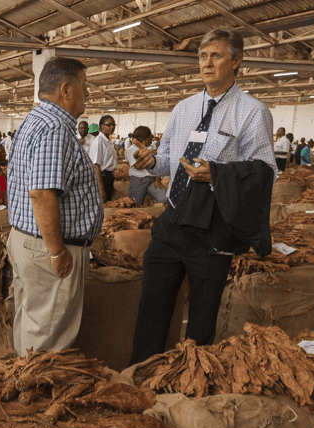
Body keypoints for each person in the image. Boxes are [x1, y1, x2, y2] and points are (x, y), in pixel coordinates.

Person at [130, 28, 275, 364]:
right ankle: (142, 374)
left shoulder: (252, 112)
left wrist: (219, 174)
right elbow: (169, 158)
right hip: (172, 221)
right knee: (152, 307)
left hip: (212, 231)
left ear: (236, 61)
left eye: (216, 55)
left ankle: (192, 381)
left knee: (200, 320)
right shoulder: (184, 108)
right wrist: (153, 162)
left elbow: (265, 171)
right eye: (202, 56)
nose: (207, 63)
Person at [6, 56, 103, 355]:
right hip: (46, 250)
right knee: (47, 342)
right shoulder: (54, 129)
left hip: (28, 241)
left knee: (31, 327)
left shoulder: (34, 121)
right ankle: (37, 396)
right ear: (66, 90)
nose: (87, 94)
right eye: (84, 86)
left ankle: (24, 386)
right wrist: (58, 251)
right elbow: (42, 193)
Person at [126, 125, 168, 205]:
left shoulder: (147, 149)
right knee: (135, 205)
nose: (152, 141)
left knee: (164, 198)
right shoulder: (132, 149)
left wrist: (157, 179)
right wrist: (151, 155)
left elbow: (156, 166)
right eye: (150, 138)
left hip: (152, 180)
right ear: (145, 139)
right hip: (139, 181)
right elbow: (137, 166)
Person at [89, 115, 117, 201]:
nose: (112, 127)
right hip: (103, 177)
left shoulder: (107, 141)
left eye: (113, 125)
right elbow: (96, 166)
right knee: (103, 205)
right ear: (101, 126)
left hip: (108, 177)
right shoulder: (99, 142)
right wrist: (101, 189)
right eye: (109, 125)